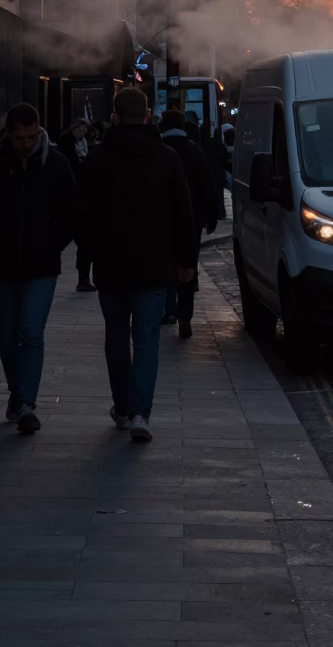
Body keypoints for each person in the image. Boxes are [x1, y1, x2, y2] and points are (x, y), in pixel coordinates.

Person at [76, 86, 196, 442]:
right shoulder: (166, 157)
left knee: (116, 337)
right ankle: (142, 412)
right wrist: (187, 260)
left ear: (114, 115)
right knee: (146, 339)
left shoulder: (98, 159)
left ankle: (123, 408)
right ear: (147, 116)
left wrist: (90, 251)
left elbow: (83, 215)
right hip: (154, 264)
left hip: (111, 264)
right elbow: (182, 212)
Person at [0, 103, 75, 434]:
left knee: (30, 332)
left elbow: (72, 211)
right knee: (5, 339)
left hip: (42, 265)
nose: (27, 144)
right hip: (2, 265)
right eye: (20, 138)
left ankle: (27, 402)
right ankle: (18, 394)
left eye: (32, 137)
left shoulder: (56, 164)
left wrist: (52, 243)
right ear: (9, 134)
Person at [158, 110, 219, 337]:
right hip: (192, 218)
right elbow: (207, 185)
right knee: (187, 265)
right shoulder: (195, 150)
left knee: (164, 265)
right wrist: (212, 215)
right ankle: (185, 316)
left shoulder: (158, 151)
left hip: (162, 220)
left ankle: (168, 310)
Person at [58, 119, 96, 292]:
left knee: (86, 241)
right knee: (84, 240)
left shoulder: (88, 144)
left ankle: (85, 277)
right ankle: (83, 277)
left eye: (86, 129)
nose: (83, 131)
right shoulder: (66, 143)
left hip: (86, 195)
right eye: (81, 128)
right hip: (76, 197)